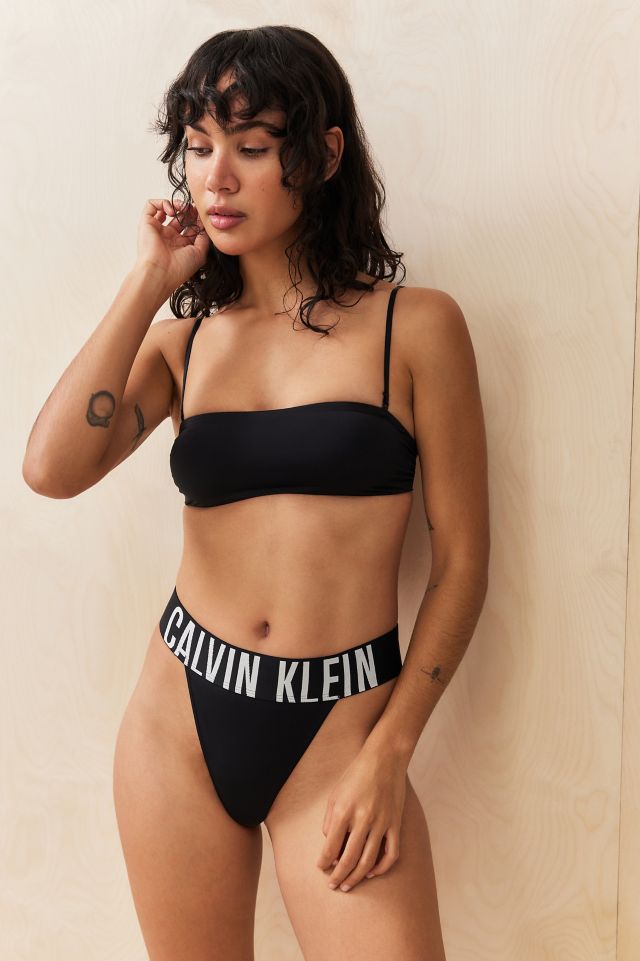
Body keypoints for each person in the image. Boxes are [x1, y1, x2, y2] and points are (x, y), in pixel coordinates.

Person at [22, 25, 490, 961]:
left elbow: (464, 562)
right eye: (198, 148)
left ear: (322, 154)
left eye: (250, 146)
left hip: (340, 734)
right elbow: (50, 469)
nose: (217, 178)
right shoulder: (184, 346)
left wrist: (391, 751)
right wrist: (150, 282)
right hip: (179, 724)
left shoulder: (415, 328)